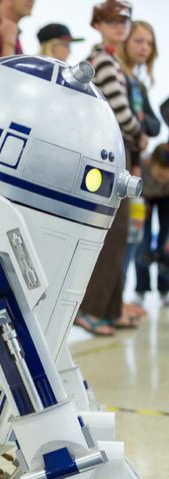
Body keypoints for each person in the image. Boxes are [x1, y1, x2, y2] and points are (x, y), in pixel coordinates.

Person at [74, 0, 140, 336]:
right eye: (113, 21)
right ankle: (90, 310)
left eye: (124, 21)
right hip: (113, 148)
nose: (120, 26)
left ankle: (109, 310)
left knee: (119, 233)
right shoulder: (103, 59)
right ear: (99, 24)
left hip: (116, 148)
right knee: (113, 233)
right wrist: (139, 133)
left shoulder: (108, 59)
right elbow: (120, 113)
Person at [118, 20, 160, 314]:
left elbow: (154, 126)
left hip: (135, 172)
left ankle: (116, 302)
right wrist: (139, 127)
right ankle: (111, 305)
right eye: (139, 41)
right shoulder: (118, 75)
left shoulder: (137, 84)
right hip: (120, 167)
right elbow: (136, 124)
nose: (144, 48)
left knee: (131, 236)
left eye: (149, 43)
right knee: (121, 237)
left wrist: (139, 126)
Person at [134, 145, 169, 305]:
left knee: (164, 245)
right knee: (142, 243)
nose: (162, 179)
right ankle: (141, 290)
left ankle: (164, 290)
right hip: (144, 199)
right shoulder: (142, 162)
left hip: (166, 200)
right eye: (160, 174)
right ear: (150, 164)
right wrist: (141, 204)